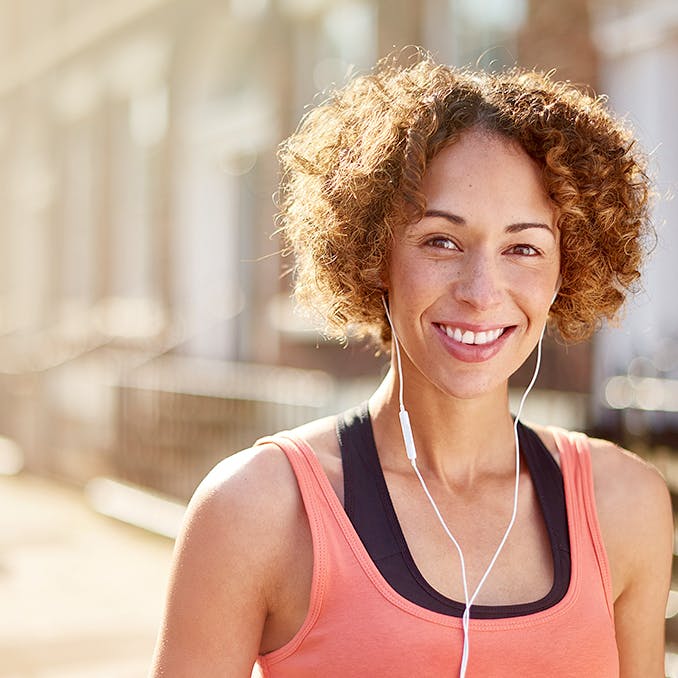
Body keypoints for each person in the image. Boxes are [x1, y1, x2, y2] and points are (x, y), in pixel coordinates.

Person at [149, 51, 673, 677]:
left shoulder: (627, 504)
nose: (481, 291)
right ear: (375, 255)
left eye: (524, 247)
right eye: (441, 241)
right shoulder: (256, 508)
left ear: (568, 270)